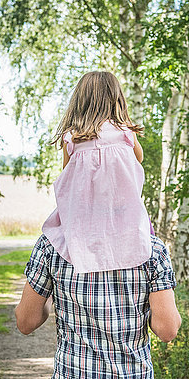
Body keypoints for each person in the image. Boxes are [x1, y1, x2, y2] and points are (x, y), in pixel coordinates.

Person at [15, 233, 180, 379]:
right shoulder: (151, 248)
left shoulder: (53, 245)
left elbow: (26, 321)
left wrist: (52, 301)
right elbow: (167, 330)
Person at [41, 71, 154, 276]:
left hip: (82, 220)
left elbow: (67, 177)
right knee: (149, 242)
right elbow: (139, 159)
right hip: (123, 216)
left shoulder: (72, 138)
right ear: (116, 99)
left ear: (80, 101)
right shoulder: (126, 133)